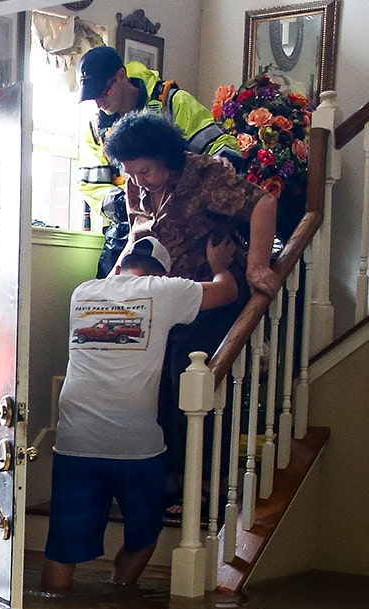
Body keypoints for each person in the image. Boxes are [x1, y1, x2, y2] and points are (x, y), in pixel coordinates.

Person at [39, 234, 240, 596]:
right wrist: (219, 267)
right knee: (144, 534)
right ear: (164, 272)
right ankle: (119, 593)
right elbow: (226, 292)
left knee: (62, 546)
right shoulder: (164, 291)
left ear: (117, 267)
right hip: (136, 444)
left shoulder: (83, 292)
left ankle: (55, 607)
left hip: (75, 440)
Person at [105, 111, 279, 505]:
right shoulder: (138, 184)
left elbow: (263, 203)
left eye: (145, 170)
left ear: (164, 156)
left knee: (191, 376)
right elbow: (137, 226)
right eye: (132, 173)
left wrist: (257, 265)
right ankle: (165, 474)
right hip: (166, 297)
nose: (138, 181)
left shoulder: (204, 177)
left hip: (214, 294)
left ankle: (202, 478)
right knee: (149, 378)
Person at [77, 45, 240, 276]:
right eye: (92, 97)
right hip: (126, 230)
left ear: (121, 76)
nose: (98, 103)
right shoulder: (95, 128)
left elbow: (219, 144)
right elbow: (92, 187)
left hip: (183, 225)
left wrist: (222, 160)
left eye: (103, 92)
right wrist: (131, 202)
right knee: (109, 301)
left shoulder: (172, 102)